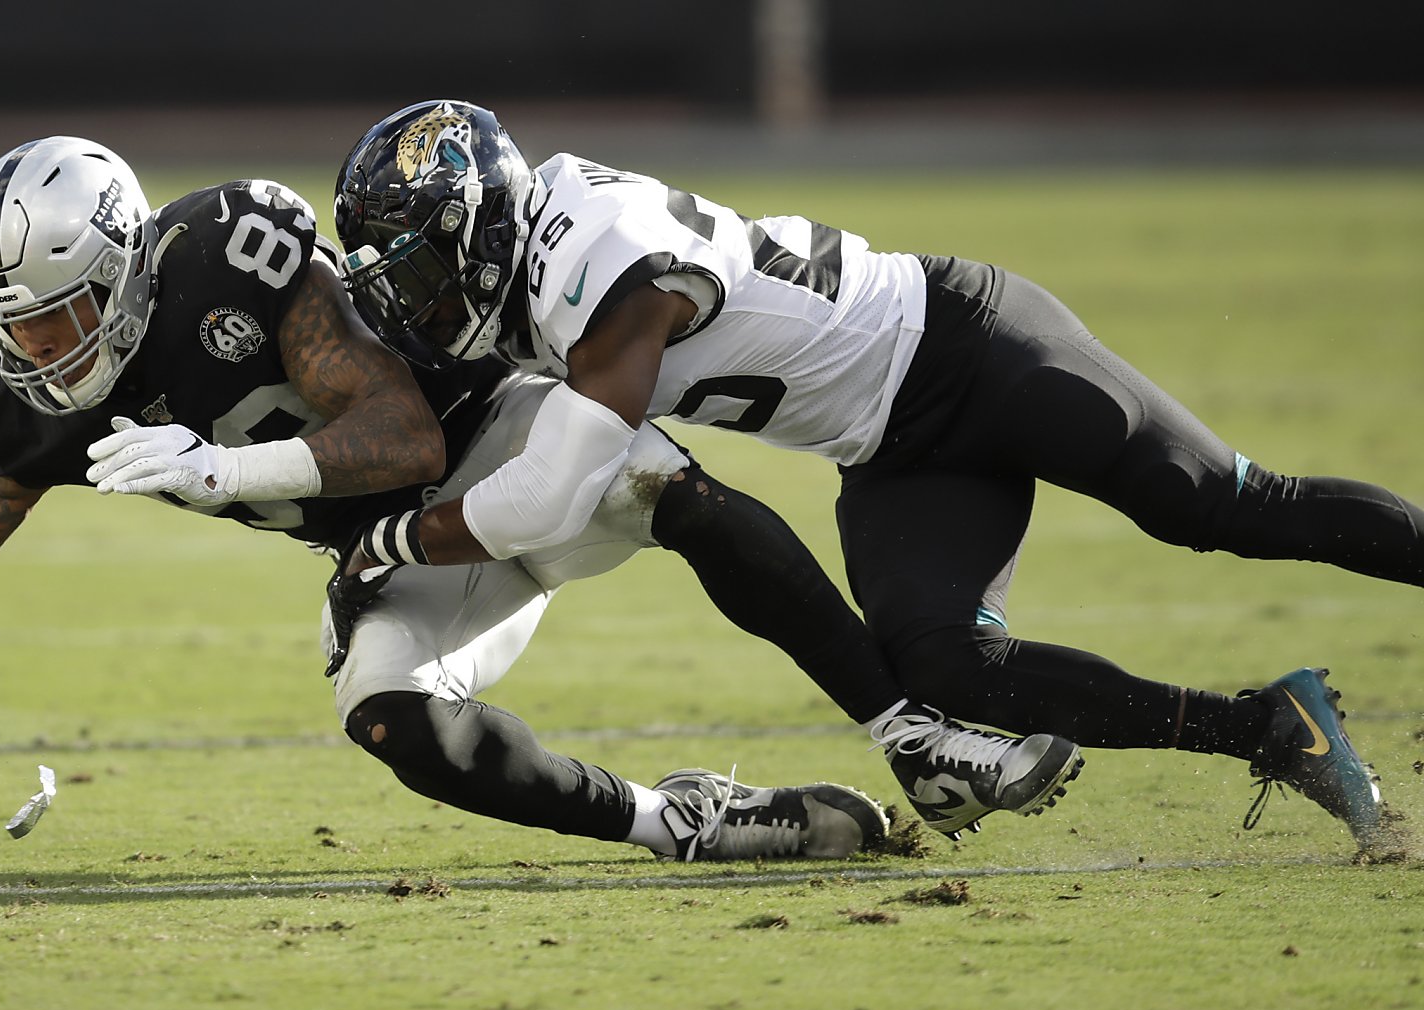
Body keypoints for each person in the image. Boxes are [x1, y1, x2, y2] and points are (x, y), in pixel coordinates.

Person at [0, 136, 1076, 860]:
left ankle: (915, 730)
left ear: (130, 265)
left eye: (67, 318)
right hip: (394, 542)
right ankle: (677, 822)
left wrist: (221, 469)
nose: (48, 357)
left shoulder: (229, 253)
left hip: (479, 436)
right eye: (19, 332)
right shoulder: (25, 395)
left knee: (661, 482)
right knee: (388, 720)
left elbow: (397, 433)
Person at [331, 99, 1416, 849]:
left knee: (1218, 507)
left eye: (423, 269)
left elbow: (545, 497)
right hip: (889, 451)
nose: (420, 304)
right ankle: (1270, 727)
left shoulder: (598, 267)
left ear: (478, 222)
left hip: (972, 349)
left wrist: (389, 543)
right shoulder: (526, 262)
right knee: (946, 668)